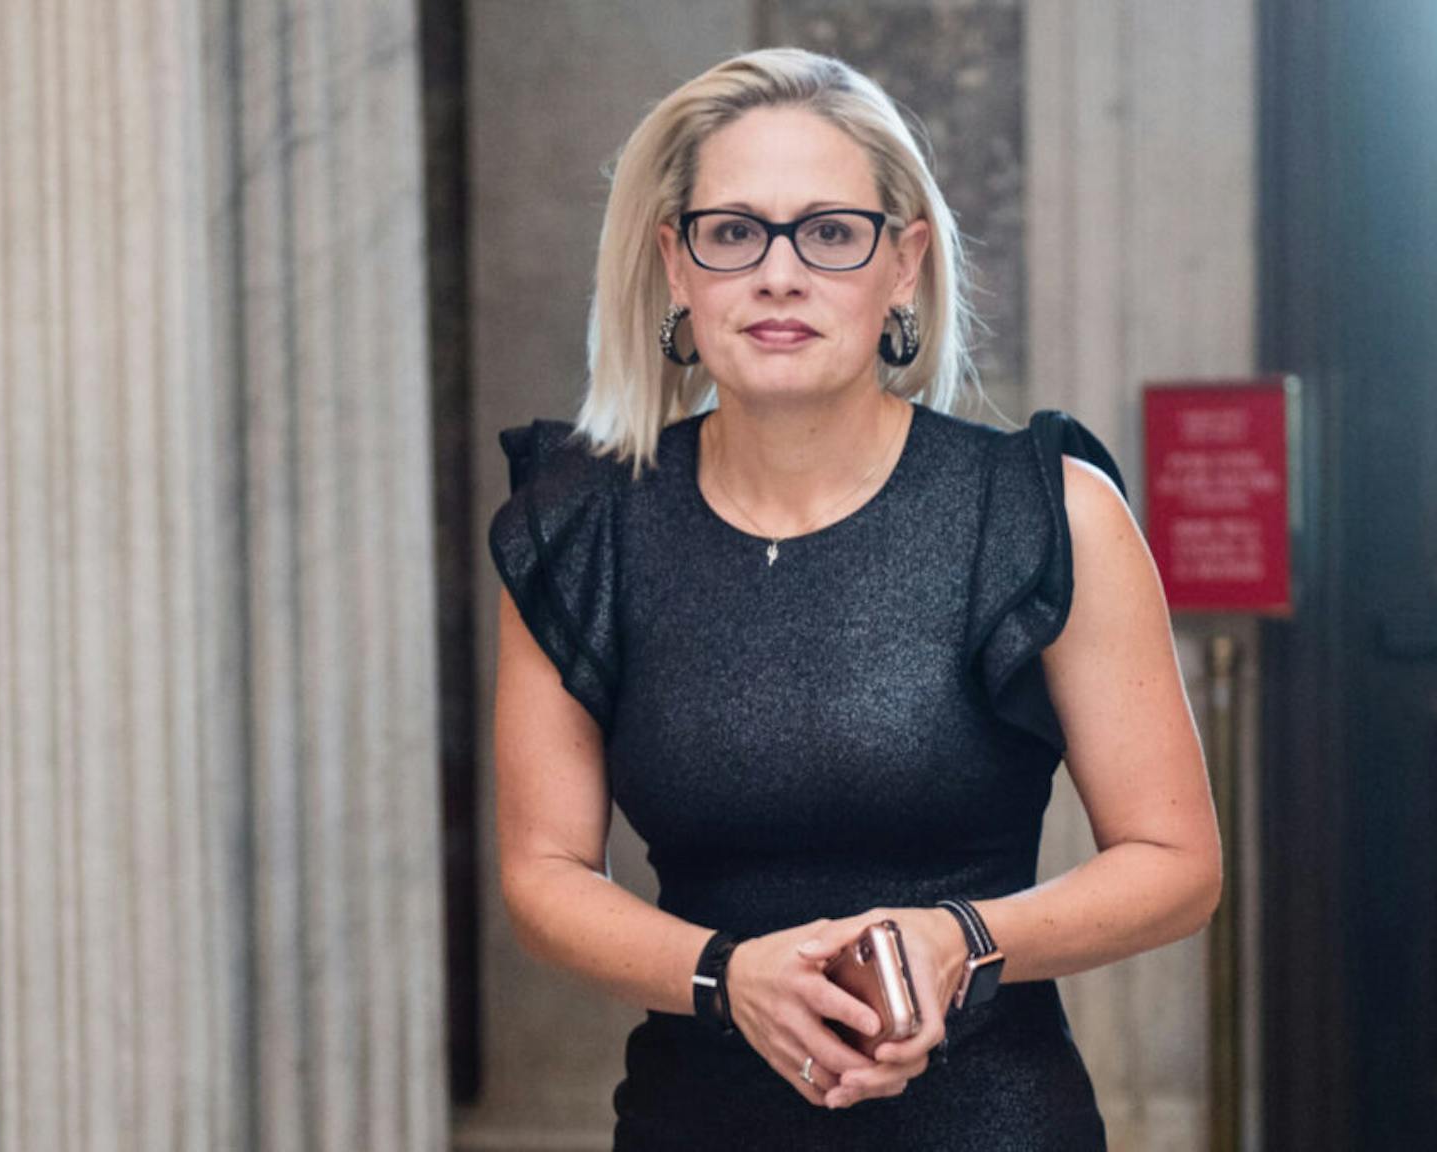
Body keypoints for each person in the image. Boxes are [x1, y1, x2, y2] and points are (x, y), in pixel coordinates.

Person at [488, 46, 1220, 1150]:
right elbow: (541, 875)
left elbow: (1175, 866)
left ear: (903, 265)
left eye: (830, 233)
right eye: (732, 232)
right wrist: (723, 975)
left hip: (989, 1121)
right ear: (675, 267)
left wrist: (956, 940)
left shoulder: (1041, 513)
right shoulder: (581, 528)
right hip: (696, 1122)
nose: (778, 274)